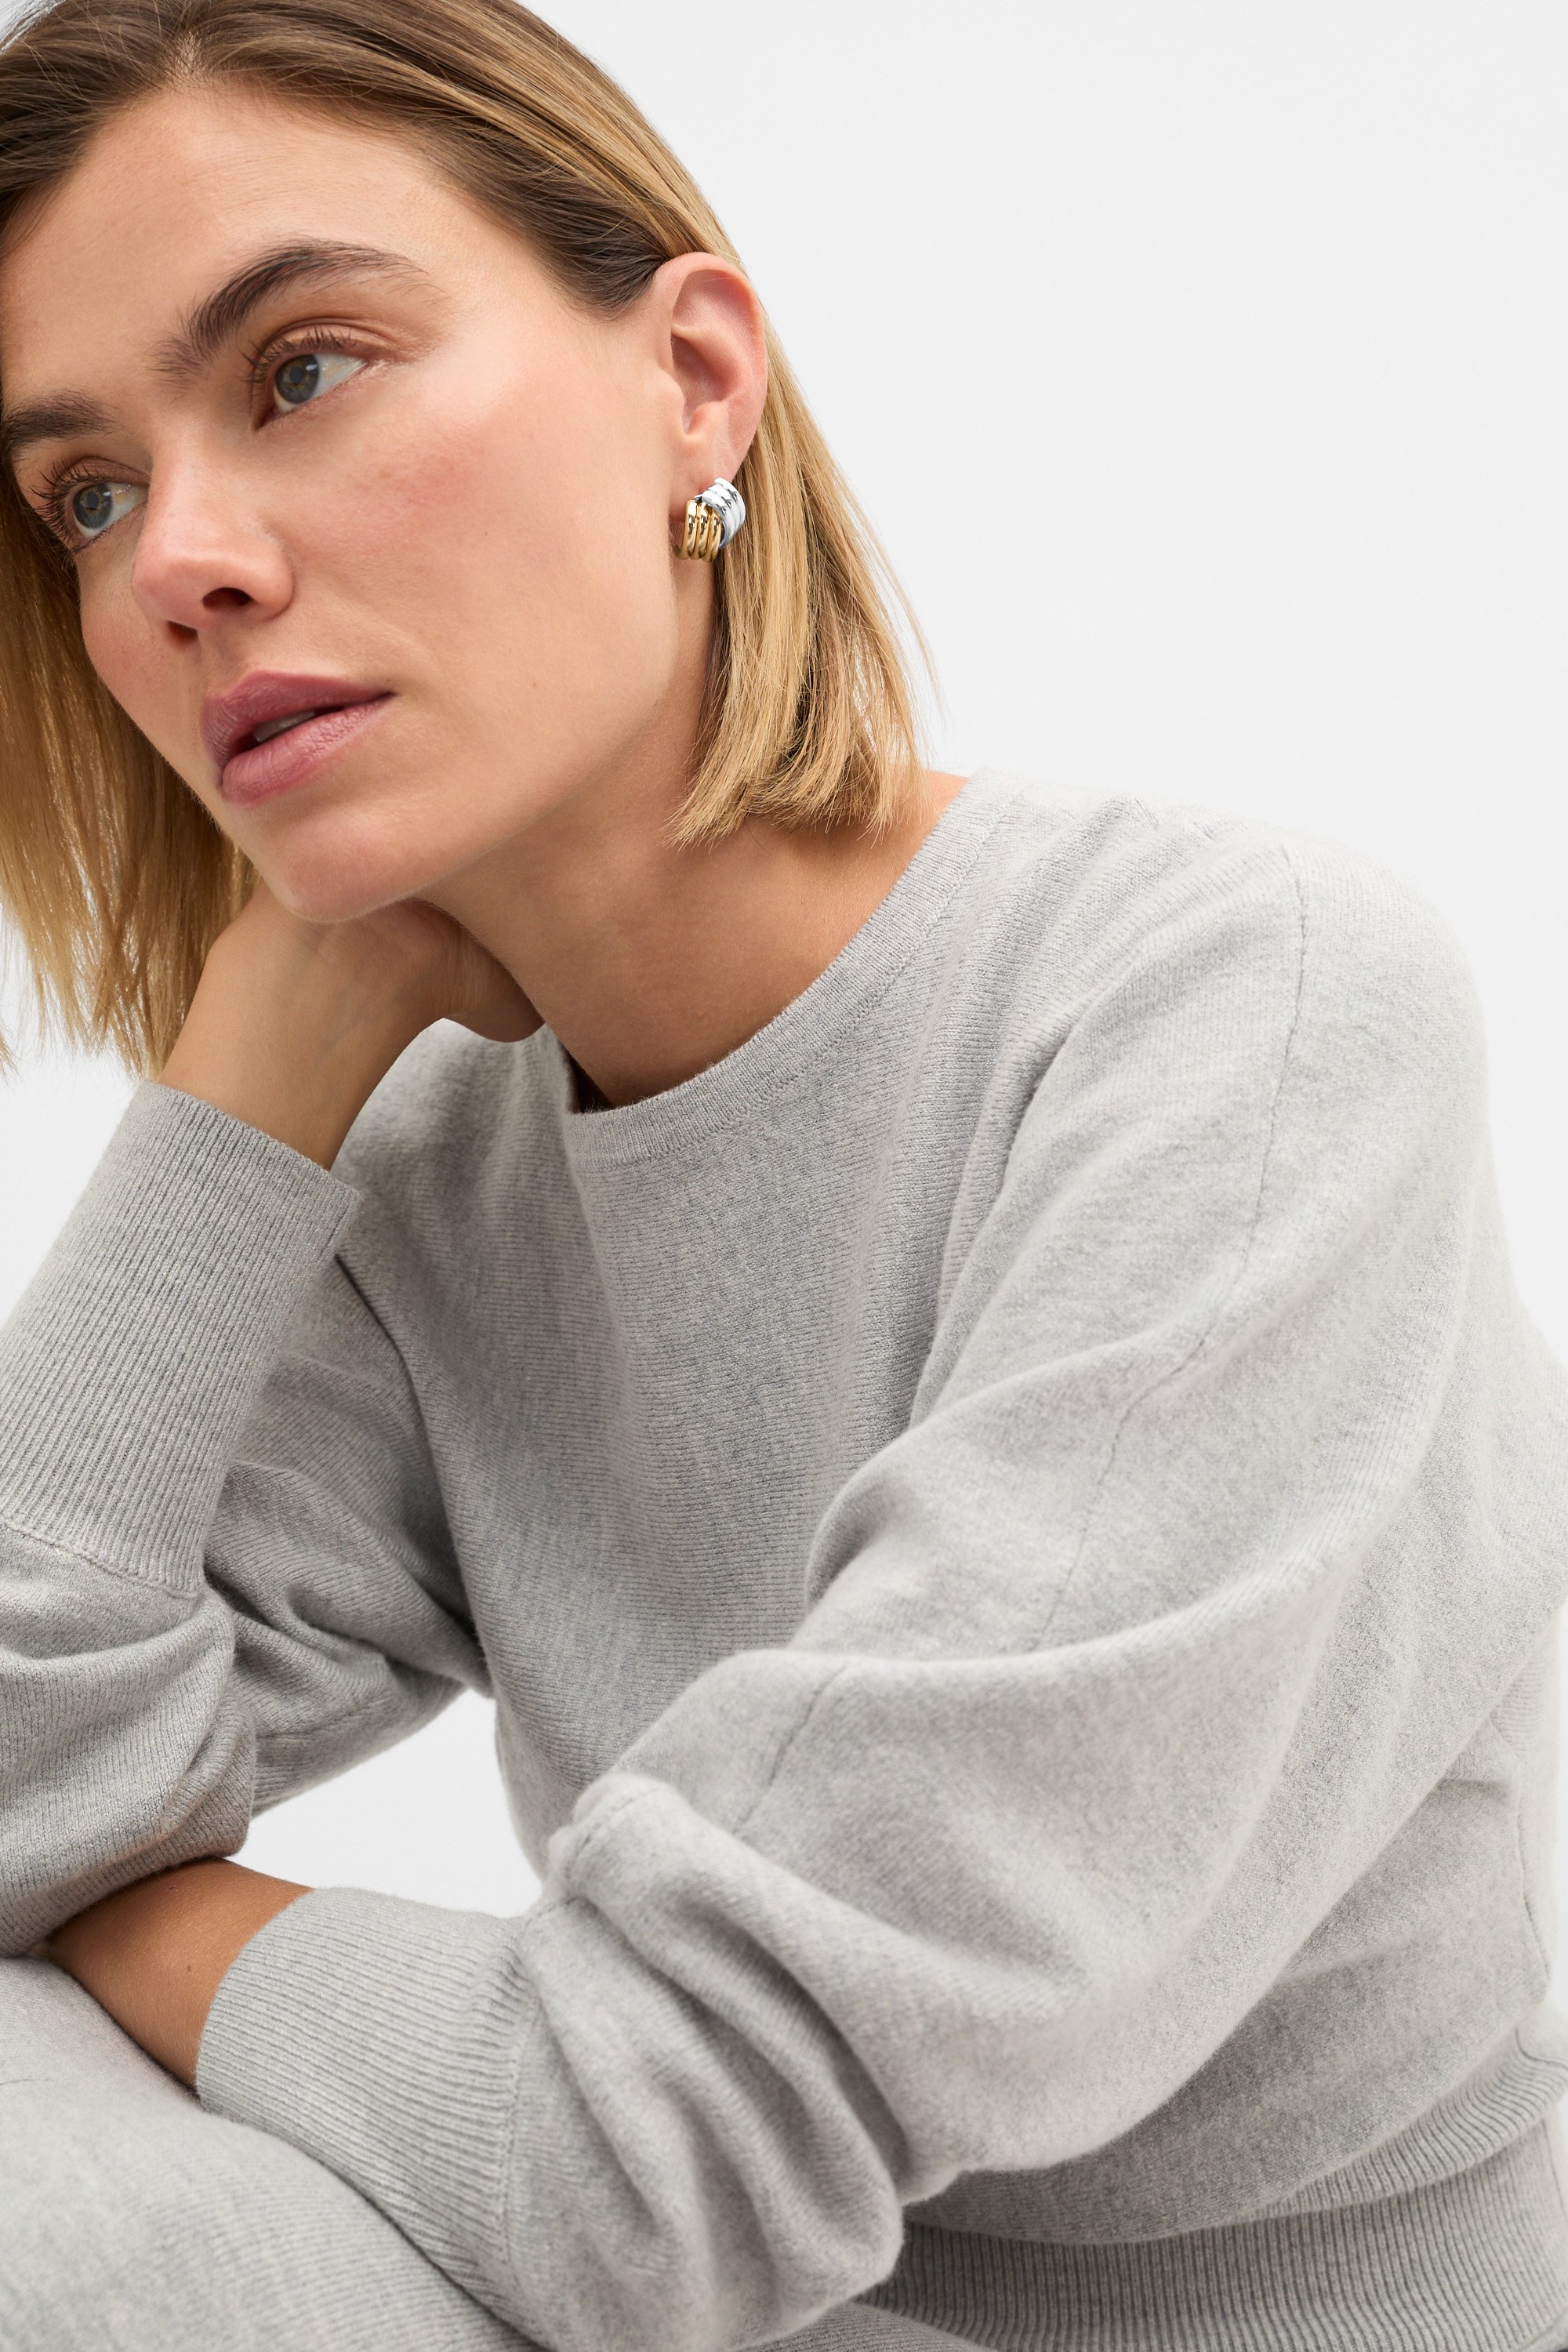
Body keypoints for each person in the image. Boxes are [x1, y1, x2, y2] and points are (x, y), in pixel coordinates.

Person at [0, 2, 1566, 2347]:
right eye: (88, 496)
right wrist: (237, 1095)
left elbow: (659, 2155)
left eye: (303, 369)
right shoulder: (435, 1175)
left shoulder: (1237, 1015)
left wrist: (136, 1906)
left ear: (694, 380)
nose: (181, 568)